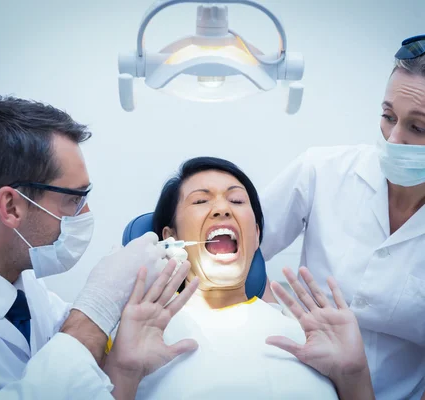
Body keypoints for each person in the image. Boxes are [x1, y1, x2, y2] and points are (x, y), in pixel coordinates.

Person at [259, 34, 425, 399]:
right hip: (293, 382)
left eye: (418, 128)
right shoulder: (321, 170)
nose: (393, 138)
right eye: (388, 116)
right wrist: (272, 310)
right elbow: (244, 250)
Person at [0, 94, 199, 399]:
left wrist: (123, 371)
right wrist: (95, 309)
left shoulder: (27, 294)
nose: (85, 215)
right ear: (10, 207)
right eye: (74, 200)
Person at [133, 156, 368, 399]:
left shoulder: (311, 335)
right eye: (201, 200)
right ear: (171, 238)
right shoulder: (141, 334)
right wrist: (123, 370)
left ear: (255, 235)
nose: (223, 209)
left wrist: (355, 375)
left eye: (236, 200)